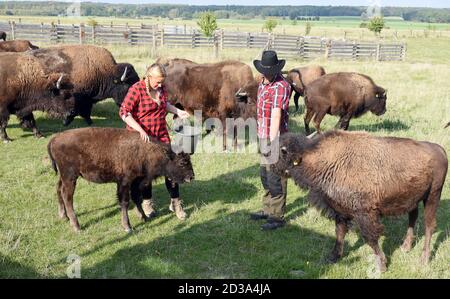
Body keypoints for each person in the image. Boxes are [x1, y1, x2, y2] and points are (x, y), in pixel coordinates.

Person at [119, 63, 190, 220]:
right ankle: (147, 202)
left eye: (162, 82)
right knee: (147, 172)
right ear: (148, 77)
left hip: (161, 135)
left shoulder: (161, 89)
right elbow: (124, 112)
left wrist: (178, 111)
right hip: (142, 139)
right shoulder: (136, 89)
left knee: (171, 168)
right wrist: (140, 129)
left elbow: (165, 105)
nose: (160, 85)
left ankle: (176, 203)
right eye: (157, 82)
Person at [250, 50, 291, 230]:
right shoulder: (263, 83)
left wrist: (273, 143)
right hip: (263, 134)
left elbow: (276, 116)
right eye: (263, 70)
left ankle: (277, 216)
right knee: (265, 175)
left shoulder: (281, 86)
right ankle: (267, 209)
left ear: (275, 70)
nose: (264, 74)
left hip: (275, 137)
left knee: (276, 176)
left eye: (268, 71)